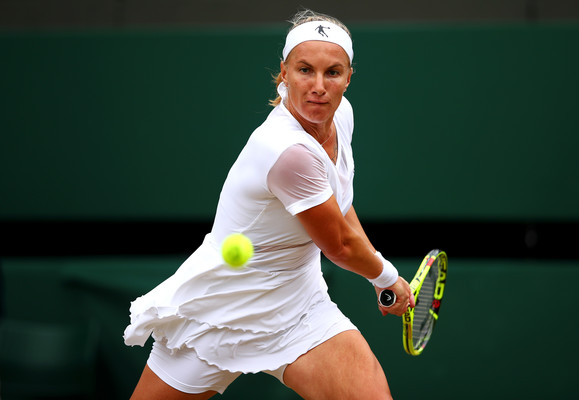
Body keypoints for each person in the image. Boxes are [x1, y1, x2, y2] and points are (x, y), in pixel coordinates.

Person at [124, 9, 414, 400]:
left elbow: (339, 207)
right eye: (304, 70)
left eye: (332, 72)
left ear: (348, 77)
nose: (318, 86)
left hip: (300, 306)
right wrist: (385, 277)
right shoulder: (288, 151)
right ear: (284, 72)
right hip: (223, 308)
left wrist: (379, 274)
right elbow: (340, 246)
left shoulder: (341, 115)